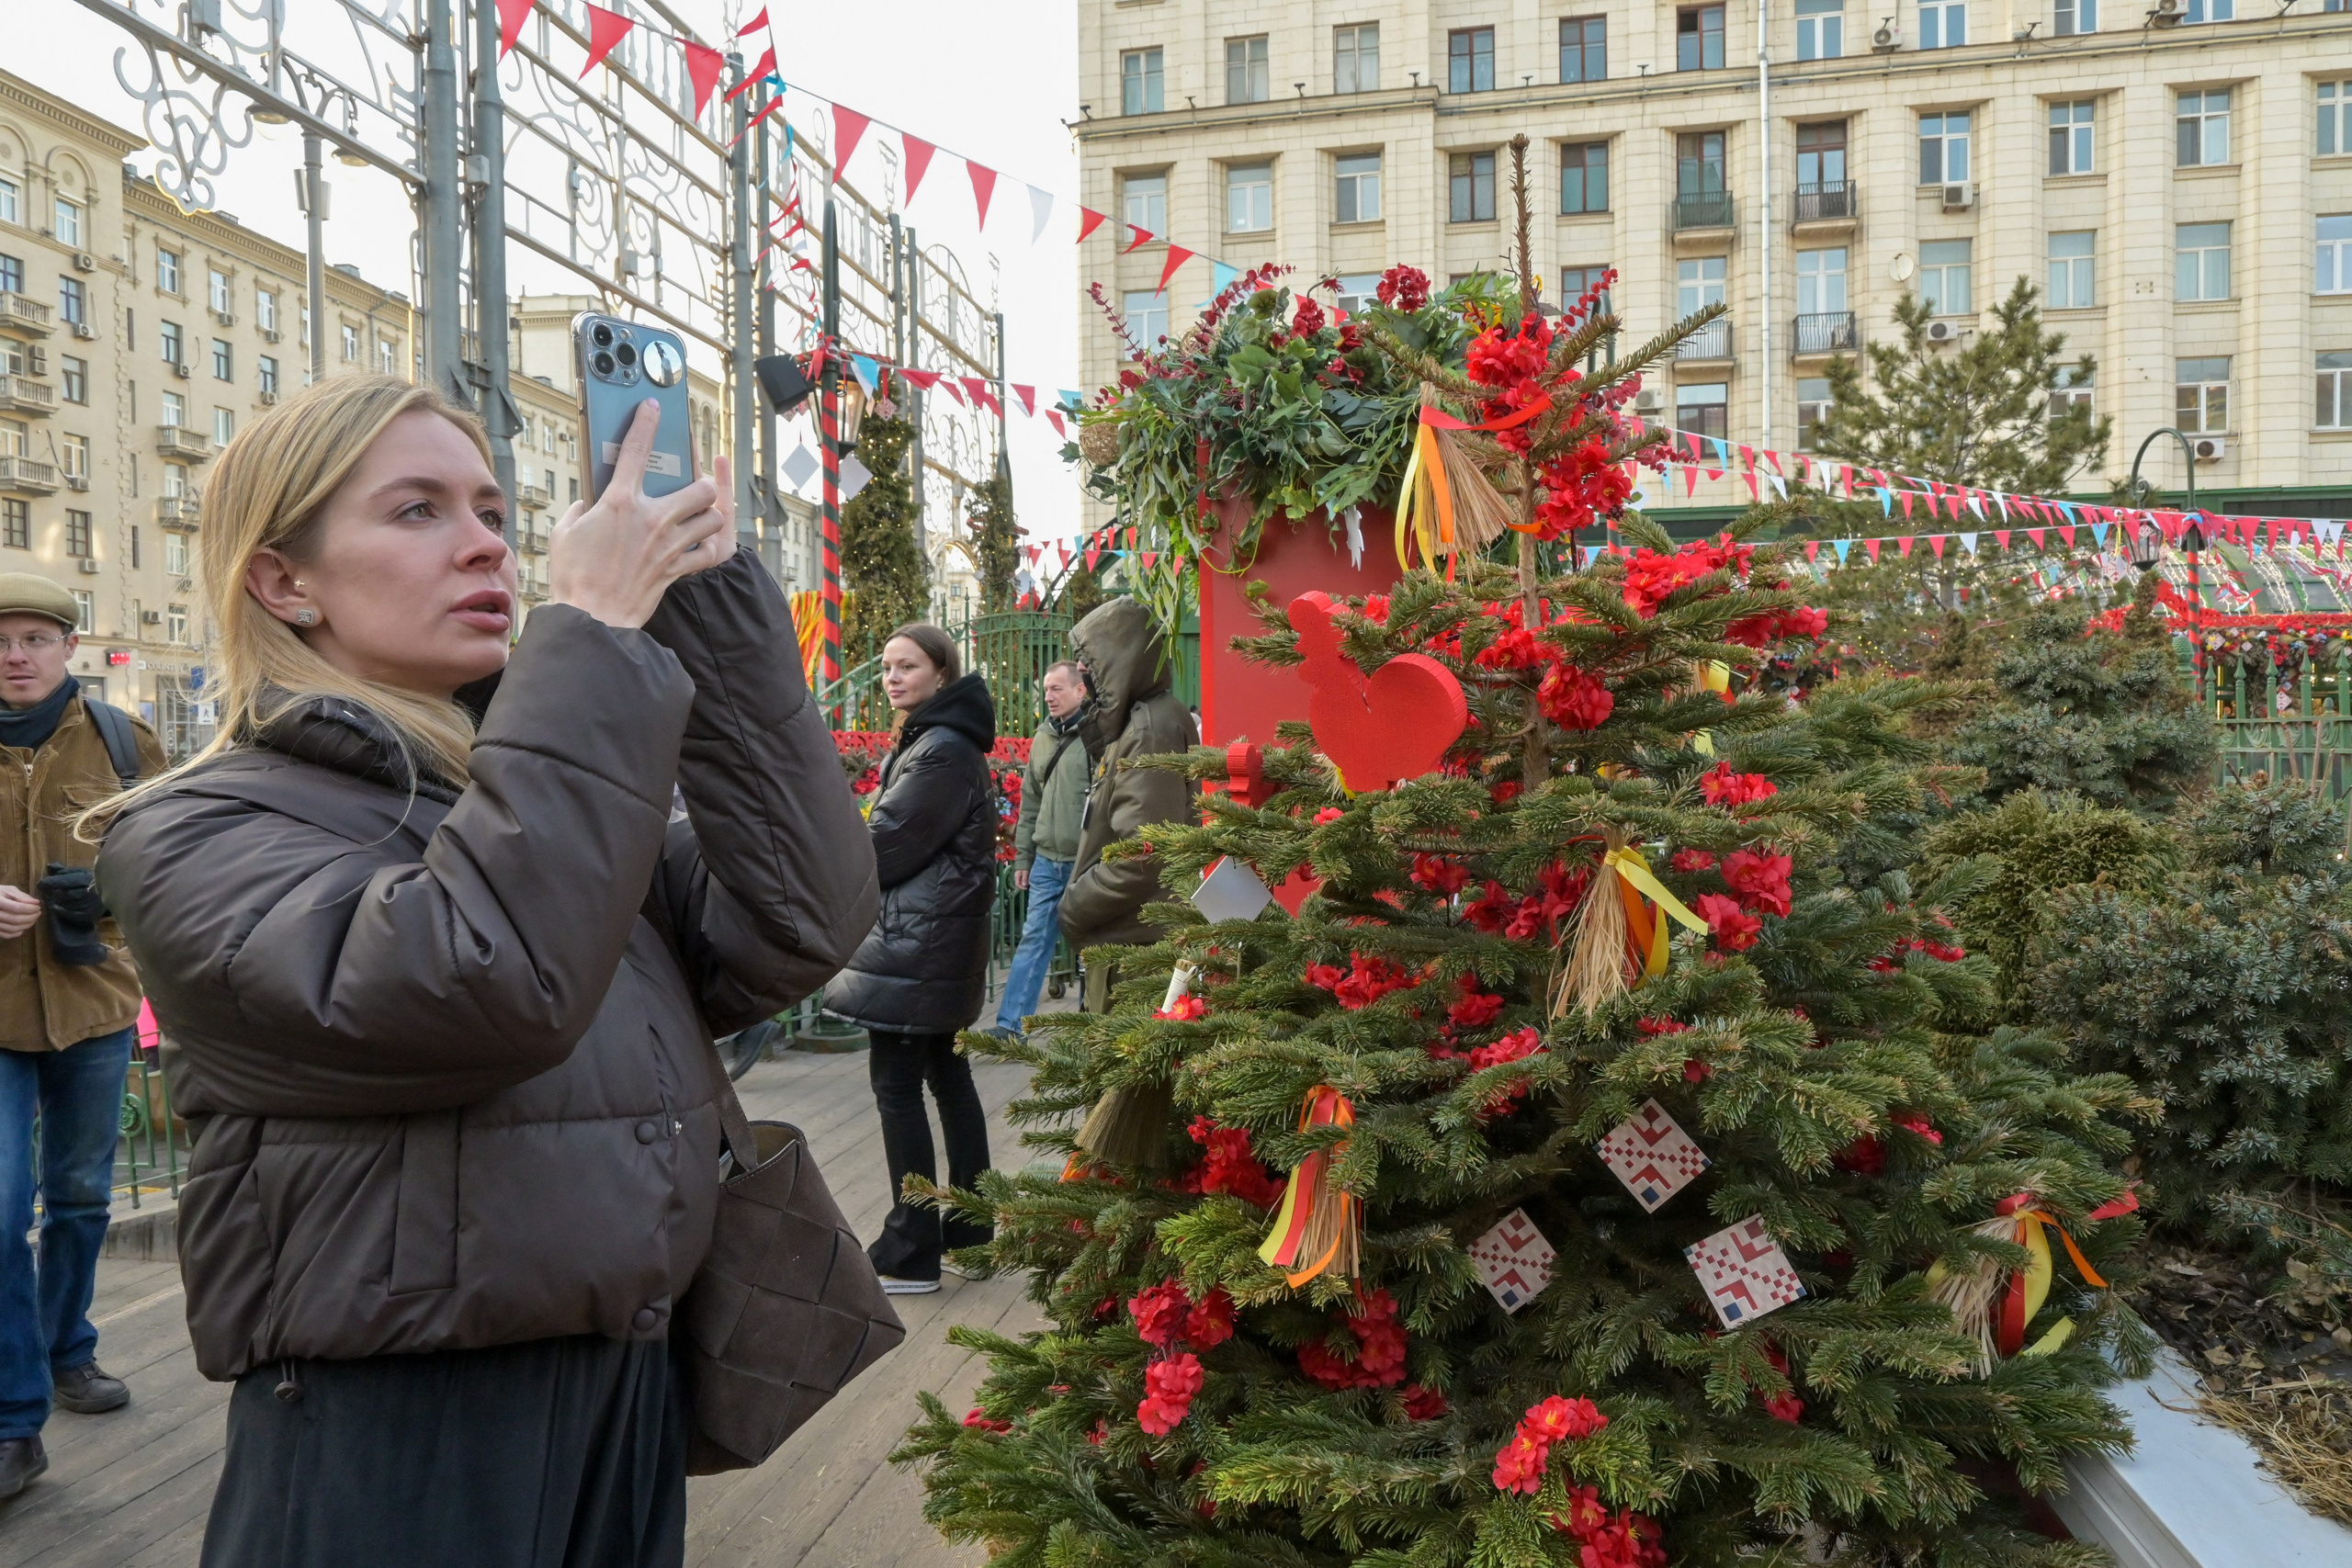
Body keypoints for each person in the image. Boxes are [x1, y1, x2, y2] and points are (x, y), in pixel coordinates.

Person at [89, 374, 877, 1565]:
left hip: (628, 1386)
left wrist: (706, 610)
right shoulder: (194, 829)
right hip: (403, 1433)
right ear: (282, 579)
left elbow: (805, 917)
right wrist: (594, 649)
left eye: (495, 515)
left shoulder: (541, 788)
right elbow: (491, 981)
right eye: (417, 511)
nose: (484, 547)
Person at [0, 577, 166, 1500]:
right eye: (1, 639)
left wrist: (103, 902)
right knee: (0, 1209)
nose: (15, 654)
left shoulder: (120, 738)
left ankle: (69, 1350)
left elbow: (164, 854)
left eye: (35, 636)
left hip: (94, 1002)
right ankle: (14, 1421)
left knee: (77, 1201)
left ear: (68, 646)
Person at [823, 626, 999, 1295]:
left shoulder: (942, 751)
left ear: (941, 672)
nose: (893, 677)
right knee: (947, 1080)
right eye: (888, 666)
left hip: (917, 945)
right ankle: (968, 1230)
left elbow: (886, 845)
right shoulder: (940, 743)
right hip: (930, 941)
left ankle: (912, 1247)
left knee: (898, 1087)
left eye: (908, 666)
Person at [1057, 595, 1201, 1004]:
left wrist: (1073, 908)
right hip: (1138, 935)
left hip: (1136, 944)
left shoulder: (1148, 728)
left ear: (1118, 665)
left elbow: (1140, 855)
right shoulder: (1148, 720)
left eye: (1090, 667)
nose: (1083, 677)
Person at [989, 660, 1087, 1042]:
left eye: (1057, 688)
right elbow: (1031, 801)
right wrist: (1024, 857)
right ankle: (1011, 1025)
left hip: (1086, 859)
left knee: (1091, 947)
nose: (1049, 696)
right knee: (1034, 939)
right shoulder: (1044, 736)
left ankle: (1090, 1027)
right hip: (1047, 858)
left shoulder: (1098, 736)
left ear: (1080, 691)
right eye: (1046, 689)